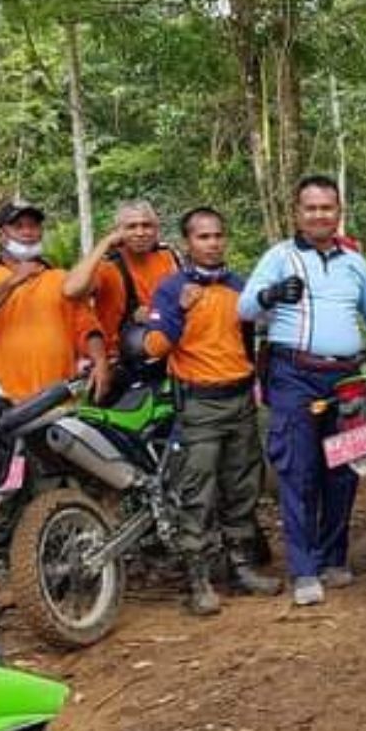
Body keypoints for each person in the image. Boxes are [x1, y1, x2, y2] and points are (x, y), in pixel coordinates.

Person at [239, 175, 366, 607]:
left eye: (326, 208)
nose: (318, 215)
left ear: (338, 211)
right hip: (293, 375)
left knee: (346, 470)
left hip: (348, 377)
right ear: (297, 212)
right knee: (300, 471)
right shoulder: (280, 256)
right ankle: (304, 569)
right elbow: (244, 307)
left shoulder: (354, 262)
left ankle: (334, 557)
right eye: (310, 208)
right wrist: (271, 294)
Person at [143, 207, 281, 615]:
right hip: (200, 404)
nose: (213, 243)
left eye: (218, 235)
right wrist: (179, 314)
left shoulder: (242, 286)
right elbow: (153, 348)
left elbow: (255, 336)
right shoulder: (172, 289)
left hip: (241, 399)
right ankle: (199, 580)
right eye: (203, 237)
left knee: (242, 488)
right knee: (197, 493)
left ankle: (240, 568)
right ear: (188, 243)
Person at [0, 201, 111, 564]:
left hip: (56, 401)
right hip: (1, 408)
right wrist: (15, 279)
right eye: (20, 227)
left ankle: (53, 566)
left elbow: (86, 324)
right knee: (1, 493)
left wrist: (98, 361)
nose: (29, 233)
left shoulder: (59, 278)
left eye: (34, 226)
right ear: (2, 234)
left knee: (55, 484)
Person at [63, 200, 179, 355]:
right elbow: (71, 291)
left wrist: (155, 314)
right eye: (131, 227)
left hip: (165, 350)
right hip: (119, 356)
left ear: (156, 229)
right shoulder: (107, 266)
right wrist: (104, 243)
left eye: (146, 225)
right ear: (118, 232)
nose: (140, 233)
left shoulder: (167, 256)